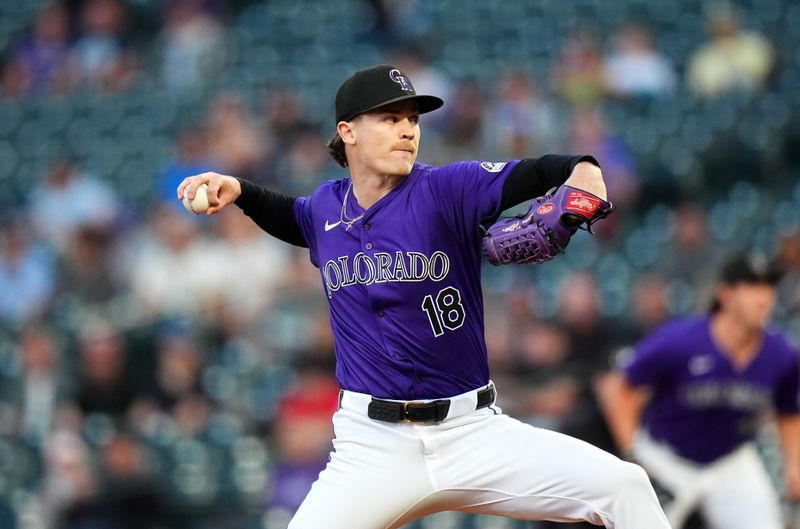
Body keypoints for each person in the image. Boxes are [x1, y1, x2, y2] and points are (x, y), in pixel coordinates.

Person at [178, 64, 670, 529]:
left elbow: (546, 169)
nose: (408, 130)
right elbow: (294, 217)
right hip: (372, 446)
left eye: (412, 119)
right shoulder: (326, 207)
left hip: (474, 432)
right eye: (390, 118)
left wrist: (584, 170)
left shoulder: (447, 188)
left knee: (625, 486)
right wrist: (239, 190)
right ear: (347, 132)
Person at [597, 254, 800, 529]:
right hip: (666, 459)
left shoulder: (782, 353)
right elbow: (618, 387)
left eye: (768, 287)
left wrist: (795, 463)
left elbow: (788, 410)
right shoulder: (681, 339)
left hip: (731, 462)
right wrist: (632, 453)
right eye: (752, 286)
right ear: (725, 294)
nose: (764, 297)